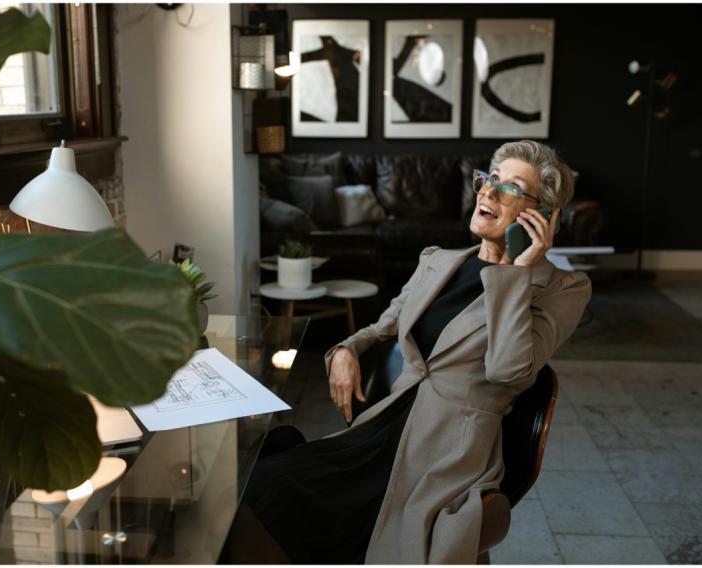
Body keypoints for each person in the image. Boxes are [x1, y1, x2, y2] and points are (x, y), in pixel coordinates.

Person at [233, 140, 592, 564]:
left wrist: (516, 273)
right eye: (489, 180)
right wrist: (345, 351)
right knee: (262, 481)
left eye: (510, 188)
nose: (489, 193)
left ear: (542, 216)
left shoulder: (563, 289)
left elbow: (507, 372)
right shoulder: (437, 261)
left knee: (285, 494)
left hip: (447, 454)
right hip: (384, 429)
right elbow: (380, 326)